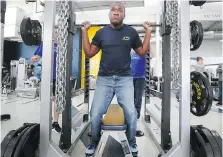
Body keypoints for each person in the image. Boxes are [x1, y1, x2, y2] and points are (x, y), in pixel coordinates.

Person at [82, 2, 152, 155]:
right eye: (113, 10)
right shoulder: (101, 33)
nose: (116, 12)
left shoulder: (131, 32)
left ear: (124, 15)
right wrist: (84, 31)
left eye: (120, 10)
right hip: (104, 79)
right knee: (94, 114)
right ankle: (94, 141)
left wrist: (148, 32)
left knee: (132, 113)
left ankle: (131, 141)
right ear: (109, 14)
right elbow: (89, 53)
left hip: (124, 79)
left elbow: (142, 52)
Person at [31, 43, 61, 133]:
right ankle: (45, 122)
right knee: (46, 100)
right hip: (47, 76)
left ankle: (55, 122)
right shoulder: (45, 43)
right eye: (55, 30)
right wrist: (35, 58)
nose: (57, 32)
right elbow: (36, 57)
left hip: (58, 77)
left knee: (57, 100)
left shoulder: (62, 44)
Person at [130, 49, 155, 137]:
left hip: (141, 78)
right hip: (131, 78)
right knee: (130, 98)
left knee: (138, 98)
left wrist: (147, 46)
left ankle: (136, 118)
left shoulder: (144, 52)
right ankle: (130, 117)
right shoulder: (131, 52)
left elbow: (152, 55)